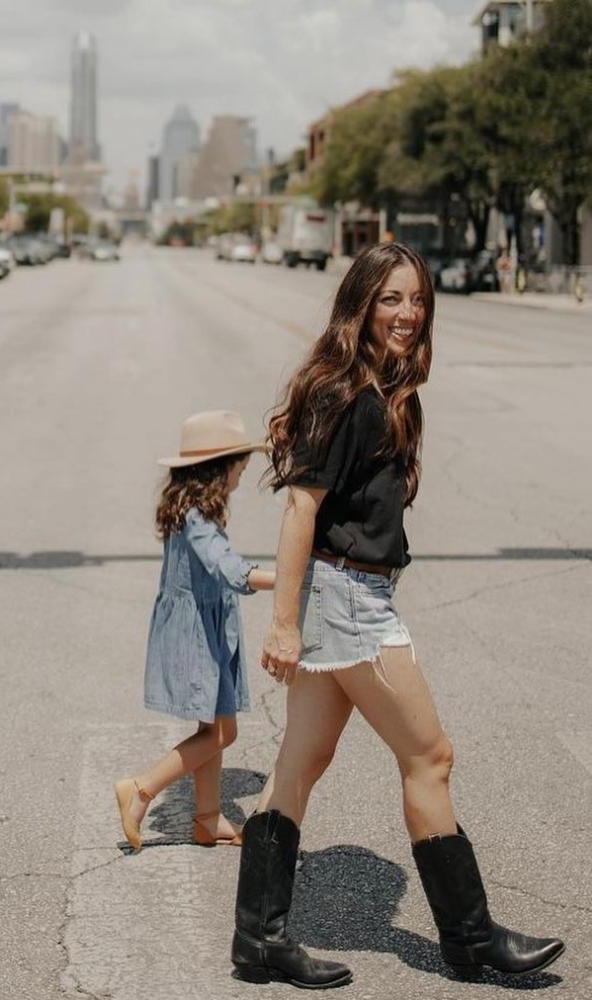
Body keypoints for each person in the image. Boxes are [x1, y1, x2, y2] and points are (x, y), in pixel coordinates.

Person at [230, 243, 564, 989]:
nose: (408, 313)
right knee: (430, 757)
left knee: (299, 765)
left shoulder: (380, 389)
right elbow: (300, 509)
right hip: (349, 601)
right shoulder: (344, 392)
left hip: (346, 593)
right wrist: (284, 624)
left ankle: (259, 941)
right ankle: (470, 942)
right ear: (360, 304)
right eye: (390, 299)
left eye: (416, 299)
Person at [114, 411, 274, 851]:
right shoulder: (198, 517)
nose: (242, 476)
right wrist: (287, 577)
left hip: (208, 626)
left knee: (214, 726)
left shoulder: (189, 507)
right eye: (240, 467)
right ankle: (141, 790)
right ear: (222, 468)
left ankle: (207, 820)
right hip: (197, 633)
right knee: (222, 732)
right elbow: (227, 568)